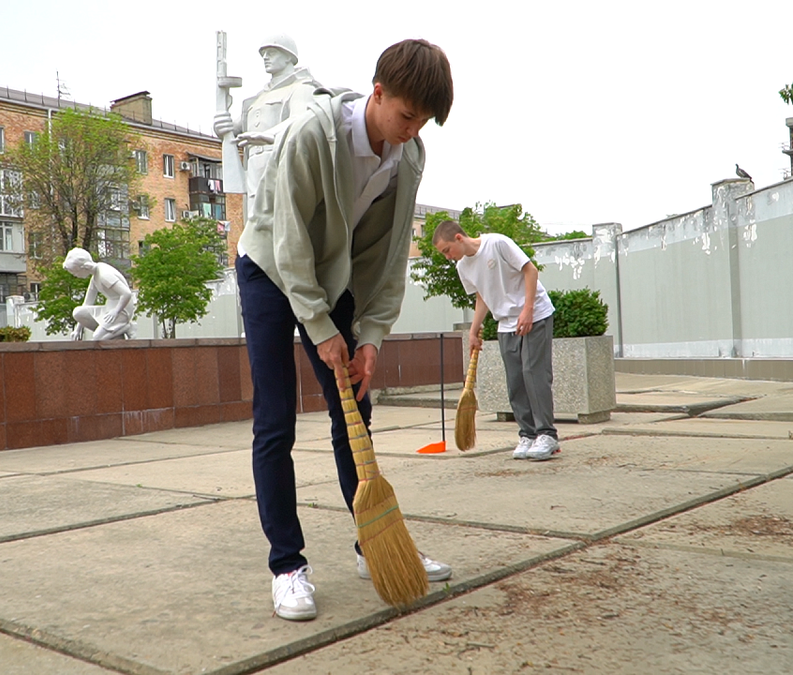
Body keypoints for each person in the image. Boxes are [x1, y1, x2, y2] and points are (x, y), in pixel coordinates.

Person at [235, 39, 454, 621]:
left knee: (353, 408)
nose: (412, 130)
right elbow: (288, 239)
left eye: (424, 121)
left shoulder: (409, 155)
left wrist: (371, 337)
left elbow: (387, 257)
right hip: (268, 268)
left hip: (330, 277)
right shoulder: (313, 132)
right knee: (276, 418)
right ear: (377, 92)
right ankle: (288, 566)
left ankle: (373, 545)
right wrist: (319, 324)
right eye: (406, 115)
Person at [433, 220, 559, 462]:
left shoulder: (497, 243)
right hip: (505, 323)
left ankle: (547, 434)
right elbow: (482, 296)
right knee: (515, 380)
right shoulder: (463, 267)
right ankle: (528, 434)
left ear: (459, 238)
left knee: (533, 372)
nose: (448, 257)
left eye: (447, 250)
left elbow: (530, 270)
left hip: (535, 314)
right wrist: (473, 329)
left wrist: (528, 309)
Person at [213, 35, 320, 218]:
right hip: (254, 168)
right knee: (256, 224)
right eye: (263, 54)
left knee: (282, 222)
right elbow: (234, 130)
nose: (265, 58)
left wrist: (268, 135)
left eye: (271, 52)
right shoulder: (258, 98)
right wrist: (221, 126)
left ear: (288, 56)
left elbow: (301, 119)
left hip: (282, 162)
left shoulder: (302, 88)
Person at [62, 248, 136, 340]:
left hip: (122, 310)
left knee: (97, 338)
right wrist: (77, 330)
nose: (74, 275)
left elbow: (127, 293)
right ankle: (114, 332)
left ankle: (126, 327)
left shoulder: (104, 275)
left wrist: (116, 311)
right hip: (109, 308)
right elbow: (87, 304)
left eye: (74, 272)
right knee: (78, 312)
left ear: (84, 267)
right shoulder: (95, 276)